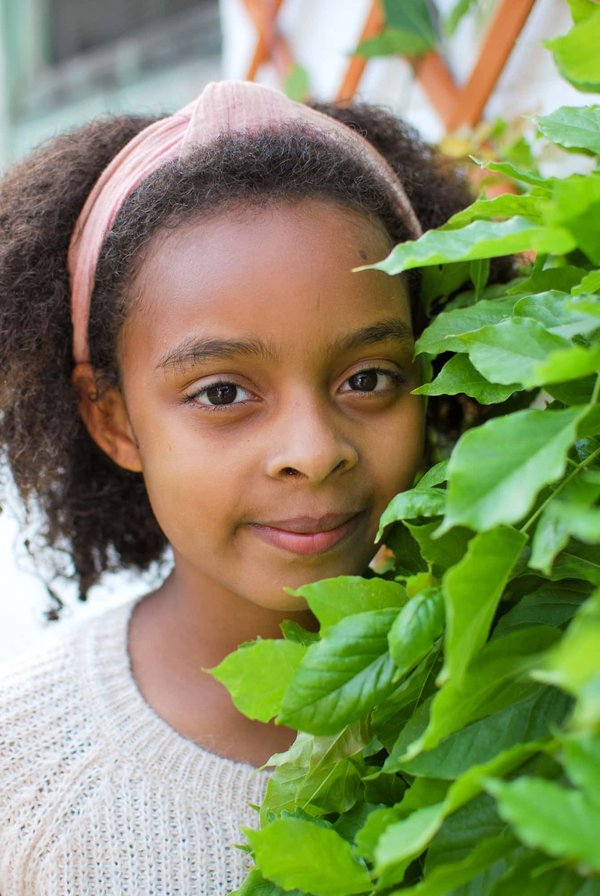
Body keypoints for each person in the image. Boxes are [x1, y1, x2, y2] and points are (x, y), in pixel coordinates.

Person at [0, 80, 473, 894]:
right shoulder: (29, 779)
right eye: (223, 393)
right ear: (113, 420)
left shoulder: (520, 676)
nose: (314, 452)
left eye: (368, 378)